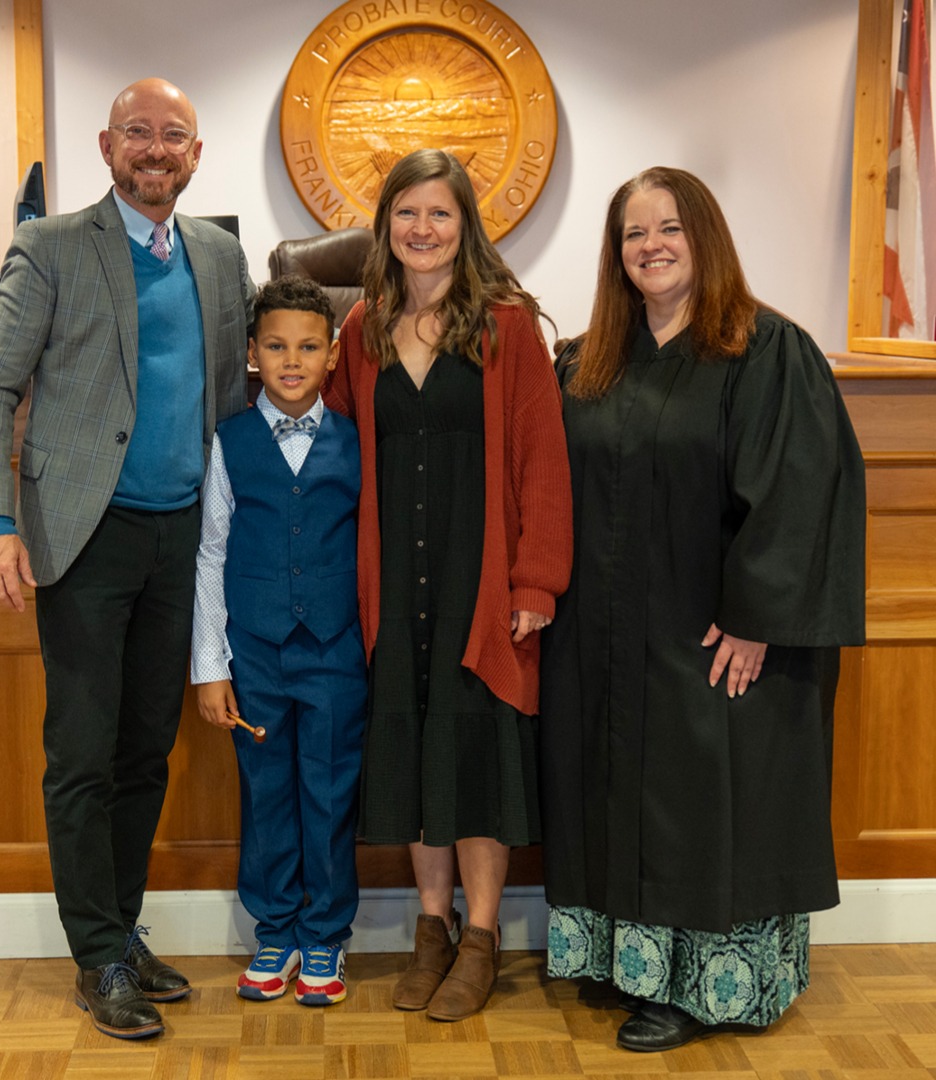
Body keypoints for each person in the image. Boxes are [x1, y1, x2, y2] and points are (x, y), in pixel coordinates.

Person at [540, 166, 866, 1053]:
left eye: (669, 228)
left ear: (705, 237)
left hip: (713, 633)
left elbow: (799, 491)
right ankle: (630, 966)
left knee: (701, 798)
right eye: (633, 233)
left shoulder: (764, 350)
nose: (650, 246)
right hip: (605, 634)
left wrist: (758, 616)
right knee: (616, 786)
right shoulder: (587, 359)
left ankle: (704, 988)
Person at [0, 78, 255, 1040]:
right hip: (84, 538)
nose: (156, 149)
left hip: (180, 536)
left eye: (175, 135)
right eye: (139, 133)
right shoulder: (49, 249)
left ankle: (121, 933)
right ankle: (97, 957)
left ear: (197, 155)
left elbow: (230, 392)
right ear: (106, 145)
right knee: (82, 757)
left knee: (144, 752)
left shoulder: (219, 254)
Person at [325, 148, 572, 1022]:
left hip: (482, 586)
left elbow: (544, 462)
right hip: (394, 591)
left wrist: (537, 579)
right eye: (406, 214)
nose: (422, 230)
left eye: (440, 215)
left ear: (466, 228)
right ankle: (428, 932)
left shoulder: (507, 326)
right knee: (417, 761)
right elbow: (337, 459)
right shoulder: (359, 330)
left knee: (474, 761)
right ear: (383, 225)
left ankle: (481, 936)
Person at [191, 274, 366, 1007]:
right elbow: (209, 552)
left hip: (335, 652)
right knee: (267, 794)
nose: (292, 361)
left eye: (308, 346)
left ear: (332, 354)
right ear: (254, 353)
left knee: (329, 793)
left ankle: (325, 936)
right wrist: (210, 666)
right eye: (275, 346)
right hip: (255, 655)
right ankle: (276, 929)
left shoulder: (359, 441)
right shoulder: (229, 441)